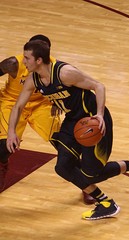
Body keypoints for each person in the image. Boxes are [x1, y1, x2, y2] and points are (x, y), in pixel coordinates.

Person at [7, 40, 129, 220]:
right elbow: (18, 107)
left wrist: (100, 115)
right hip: (73, 122)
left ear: (39, 60)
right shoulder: (34, 79)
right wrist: (11, 133)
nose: (23, 62)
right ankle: (106, 203)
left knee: (92, 173)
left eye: (27, 58)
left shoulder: (65, 73)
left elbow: (99, 86)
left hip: (92, 120)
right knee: (62, 167)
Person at [0, 35, 94, 205]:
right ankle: (2, 163)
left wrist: (57, 100)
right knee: (4, 145)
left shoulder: (54, 66)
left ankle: (88, 186)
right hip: (12, 103)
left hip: (40, 105)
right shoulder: (14, 63)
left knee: (63, 144)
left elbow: (68, 84)